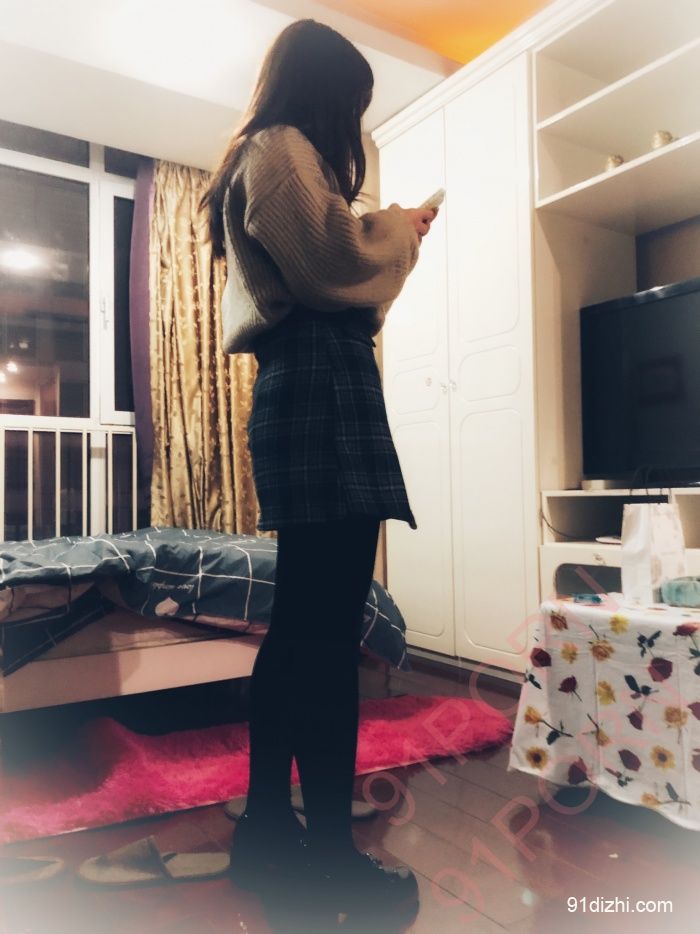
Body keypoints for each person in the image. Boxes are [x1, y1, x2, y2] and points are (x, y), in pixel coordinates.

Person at [200, 17, 437, 914]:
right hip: (321, 392)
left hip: (308, 386)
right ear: (329, 91)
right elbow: (335, 262)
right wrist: (399, 228)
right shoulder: (282, 147)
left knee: (302, 630)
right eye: (355, 104)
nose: (355, 125)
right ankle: (330, 856)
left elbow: (330, 280)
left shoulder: (265, 152)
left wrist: (388, 234)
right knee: (326, 637)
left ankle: (269, 833)